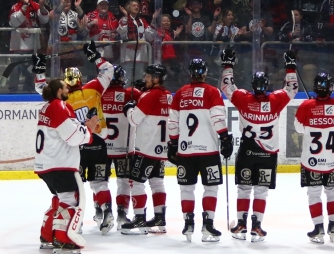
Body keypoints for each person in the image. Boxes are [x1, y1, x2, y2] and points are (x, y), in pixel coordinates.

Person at [219, 48, 298, 242]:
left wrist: (228, 64)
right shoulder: (276, 100)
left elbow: (227, 87)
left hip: (247, 152)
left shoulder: (244, 99)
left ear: (254, 85)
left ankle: (240, 225)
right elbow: (292, 89)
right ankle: (256, 227)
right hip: (268, 154)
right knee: (261, 190)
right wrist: (290, 67)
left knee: (244, 189)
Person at [32, 53, 100, 251]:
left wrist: (83, 128)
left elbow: (65, 131)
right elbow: (73, 137)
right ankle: (64, 239)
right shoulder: (60, 106)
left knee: (60, 199)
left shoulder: (47, 107)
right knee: (71, 200)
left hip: (46, 165)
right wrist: (89, 131)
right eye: (64, 86)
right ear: (58, 91)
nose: (67, 88)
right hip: (59, 164)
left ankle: (47, 236)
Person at [52, 42, 117, 236]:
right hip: (98, 144)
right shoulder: (93, 88)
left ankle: (76, 220)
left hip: (76, 146)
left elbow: (43, 90)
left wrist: (39, 71)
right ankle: (107, 214)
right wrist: (94, 56)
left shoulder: (62, 99)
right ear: (80, 79)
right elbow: (108, 69)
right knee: (100, 184)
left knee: (75, 185)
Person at [168, 58, 233, 242]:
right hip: (208, 151)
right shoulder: (212, 92)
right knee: (211, 187)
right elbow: (218, 118)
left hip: (185, 151)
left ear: (190, 73)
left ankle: (188, 223)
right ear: (204, 73)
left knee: (186, 188)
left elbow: (172, 123)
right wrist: (225, 137)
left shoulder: (180, 93)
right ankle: (208, 225)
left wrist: (173, 144)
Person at [294, 71, 334, 244]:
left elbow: (298, 129)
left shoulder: (306, 105)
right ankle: (333, 225)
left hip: (311, 162)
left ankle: (318, 228)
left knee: (314, 194)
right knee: (332, 192)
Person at [120, 64, 171, 235]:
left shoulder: (149, 96)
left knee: (137, 182)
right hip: (162, 149)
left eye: (148, 76)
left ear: (156, 78)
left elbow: (134, 120)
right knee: (157, 182)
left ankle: (140, 218)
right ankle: (160, 218)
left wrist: (129, 107)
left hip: (146, 148)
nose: (145, 78)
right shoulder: (168, 96)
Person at [96, 63, 140, 230]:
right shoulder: (131, 94)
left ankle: (100, 211)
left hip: (102, 150)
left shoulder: (98, 94)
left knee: (100, 181)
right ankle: (122, 212)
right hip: (124, 149)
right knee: (123, 181)